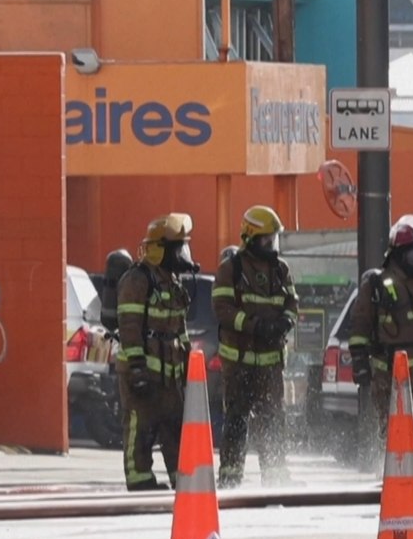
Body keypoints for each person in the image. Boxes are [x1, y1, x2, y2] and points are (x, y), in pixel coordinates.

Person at [347, 214, 413, 471]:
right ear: (397, 255)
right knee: (394, 430)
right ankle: (396, 475)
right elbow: (360, 327)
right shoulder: (377, 284)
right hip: (389, 378)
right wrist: (360, 362)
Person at [213, 206, 300, 489]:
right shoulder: (231, 269)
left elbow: (292, 304)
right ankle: (230, 475)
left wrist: (285, 323)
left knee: (274, 419)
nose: (270, 245)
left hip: (271, 363)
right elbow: (223, 310)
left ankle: (275, 473)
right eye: (265, 240)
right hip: (239, 363)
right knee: (236, 419)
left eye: (273, 239)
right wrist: (254, 326)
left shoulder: (280, 269)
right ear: (250, 238)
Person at [116, 213, 199, 491]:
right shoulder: (137, 280)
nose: (183, 255)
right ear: (159, 249)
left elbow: (180, 329)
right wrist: (138, 369)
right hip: (143, 372)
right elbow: (129, 327)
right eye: (178, 248)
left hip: (169, 375)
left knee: (175, 429)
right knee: (140, 428)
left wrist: (189, 365)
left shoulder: (173, 283)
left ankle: (182, 480)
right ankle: (139, 481)